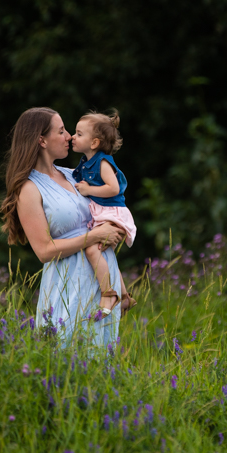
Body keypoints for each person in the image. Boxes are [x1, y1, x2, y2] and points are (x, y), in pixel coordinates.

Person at [0, 107, 126, 346]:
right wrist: (95, 236)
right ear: (41, 140)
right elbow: (44, 251)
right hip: (66, 286)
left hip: (101, 288)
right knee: (66, 365)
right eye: (61, 131)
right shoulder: (29, 189)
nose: (69, 136)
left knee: (101, 367)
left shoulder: (74, 175)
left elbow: (105, 214)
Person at [70, 110, 137, 317]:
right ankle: (125, 297)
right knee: (104, 256)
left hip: (113, 214)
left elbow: (113, 188)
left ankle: (108, 293)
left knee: (91, 250)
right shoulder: (86, 162)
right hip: (104, 213)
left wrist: (89, 190)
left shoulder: (103, 162)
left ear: (94, 143)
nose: (72, 137)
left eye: (79, 134)